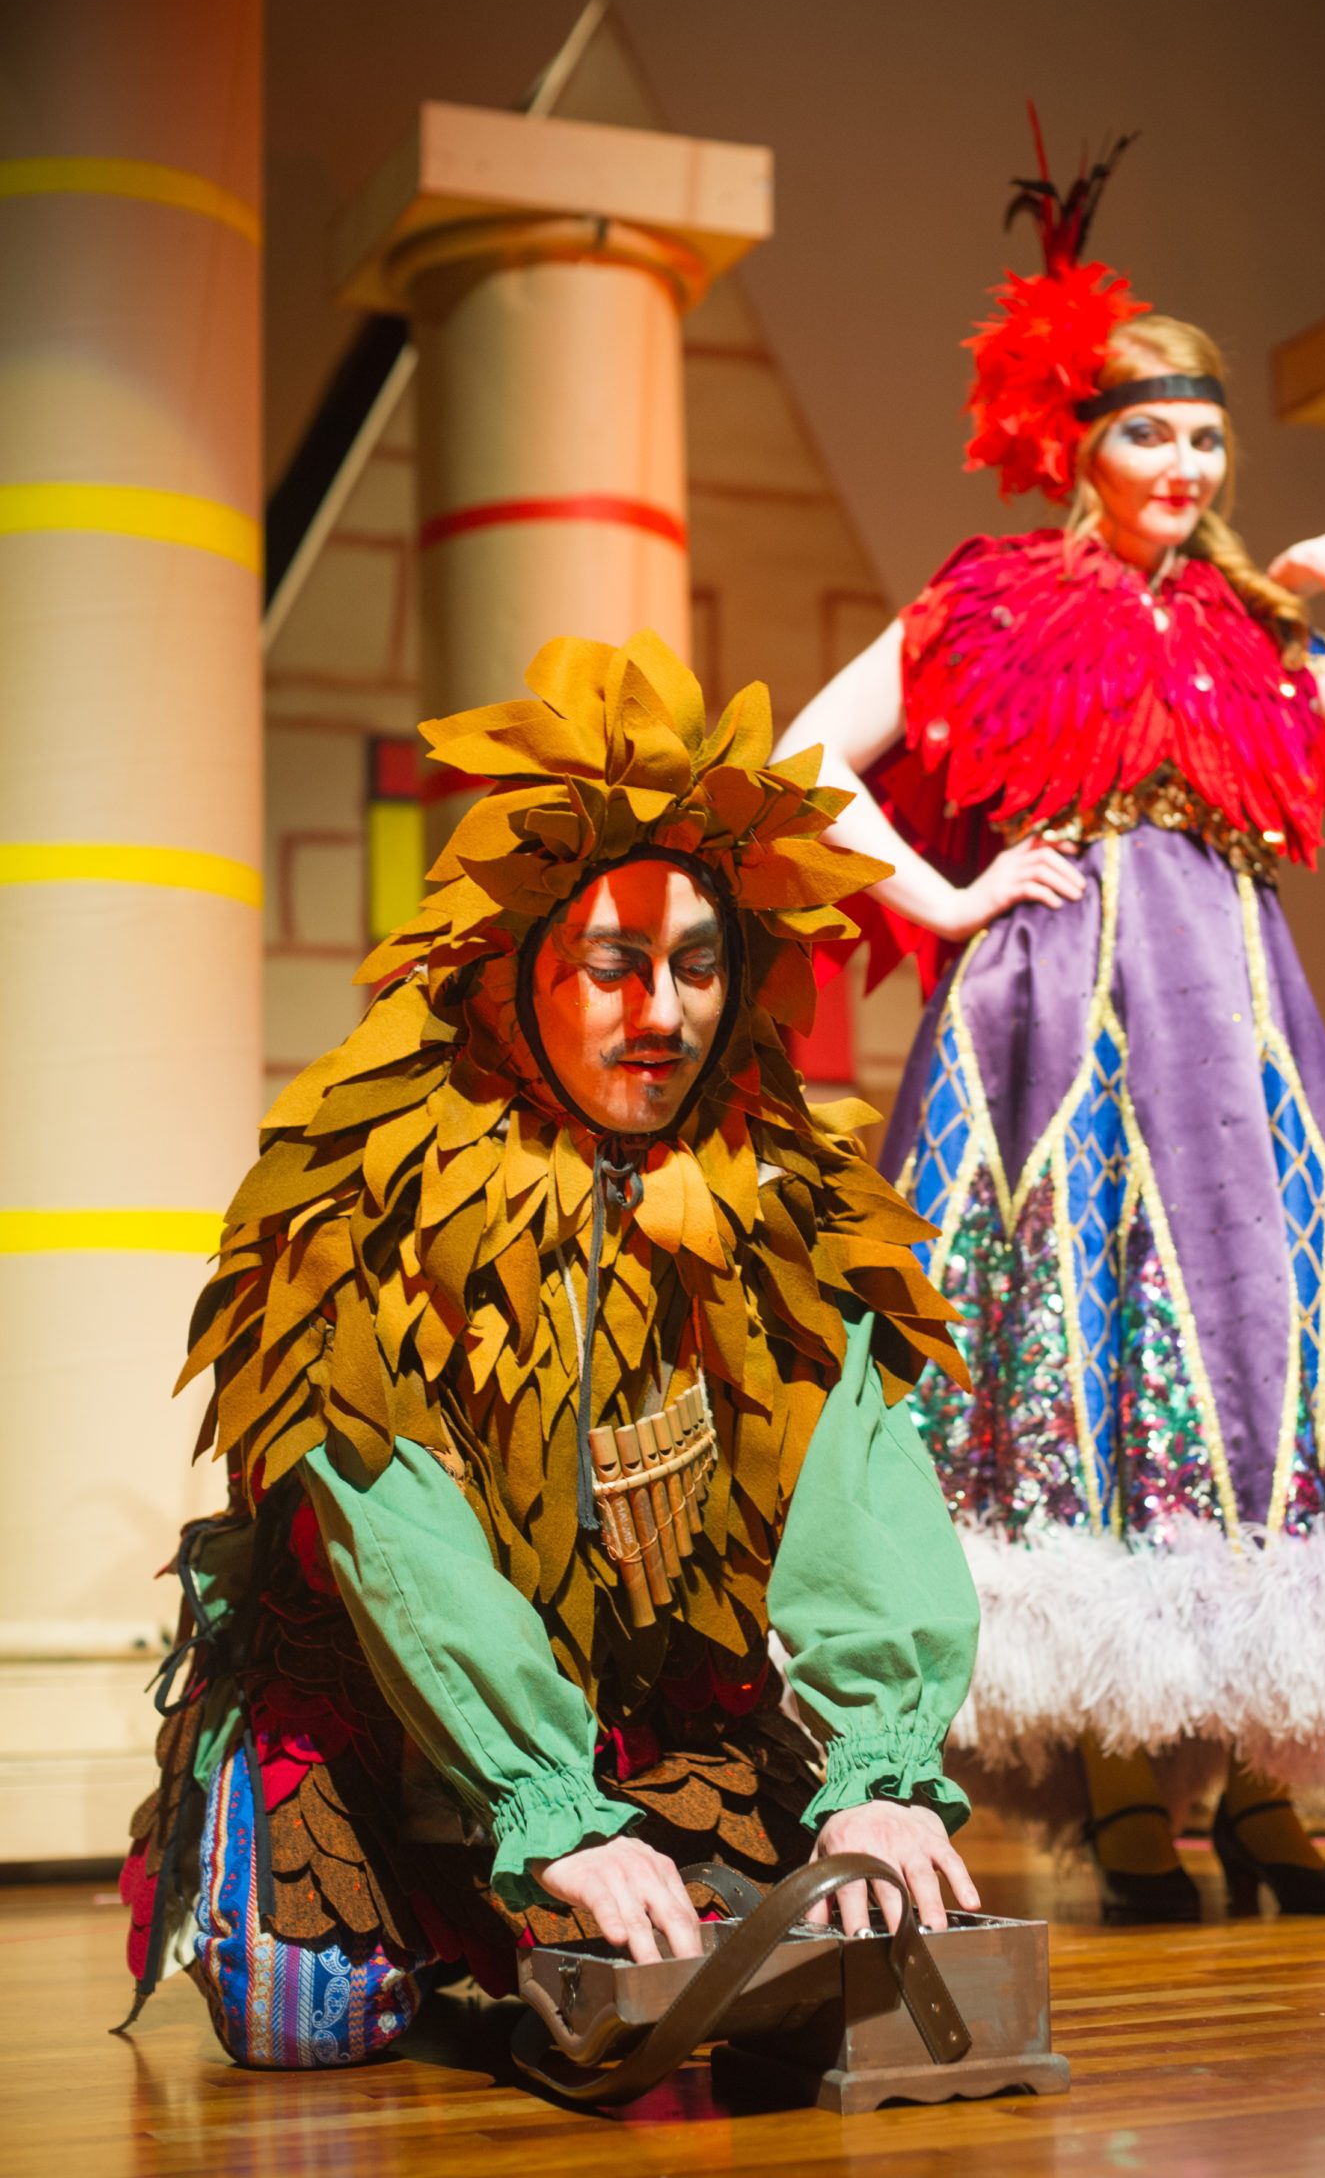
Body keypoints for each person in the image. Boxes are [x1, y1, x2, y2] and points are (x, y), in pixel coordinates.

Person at [774, 127, 1325, 1922]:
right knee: (1086, 1382)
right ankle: (1122, 1798)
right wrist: (935, 903)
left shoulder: (1252, 634)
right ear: (1072, 447)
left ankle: (1255, 1793)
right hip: (1058, 1036)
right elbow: (798, 760)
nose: (1180, 465)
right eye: (1146, 432)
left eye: (1203, 436)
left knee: (1261, 1374)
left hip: (1239, 1048)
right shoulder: (988, 601)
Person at [119, 631, 982, 2067]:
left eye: (701, 967)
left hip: (643, 1706)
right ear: (519, 971)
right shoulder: (360, 1207)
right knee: (310, 2013)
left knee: (813, 1958)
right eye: (616, 965)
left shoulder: (781, 1202)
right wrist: (543, 1802)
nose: (665, 1014)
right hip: (395, 1708)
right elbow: (409, 1551)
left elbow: (861, 1490)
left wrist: (881, 1764)